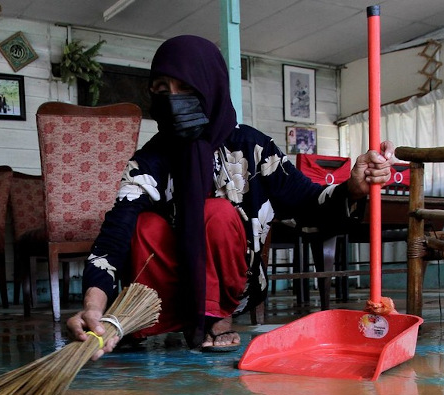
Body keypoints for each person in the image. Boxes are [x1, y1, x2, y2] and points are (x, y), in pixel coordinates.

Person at [66, 35, 394, 356]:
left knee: (216, 213)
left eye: (187, 88)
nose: (173, 99)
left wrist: (352, 187)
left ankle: (217, 316)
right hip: (171, 289)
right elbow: (115, 235)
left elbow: (309, 204)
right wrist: (93, 306)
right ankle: (161, 318)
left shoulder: (253, 148)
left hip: (234, 286)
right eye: (162, 89)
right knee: (144, 224)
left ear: (212, 88)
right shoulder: (151, 159)